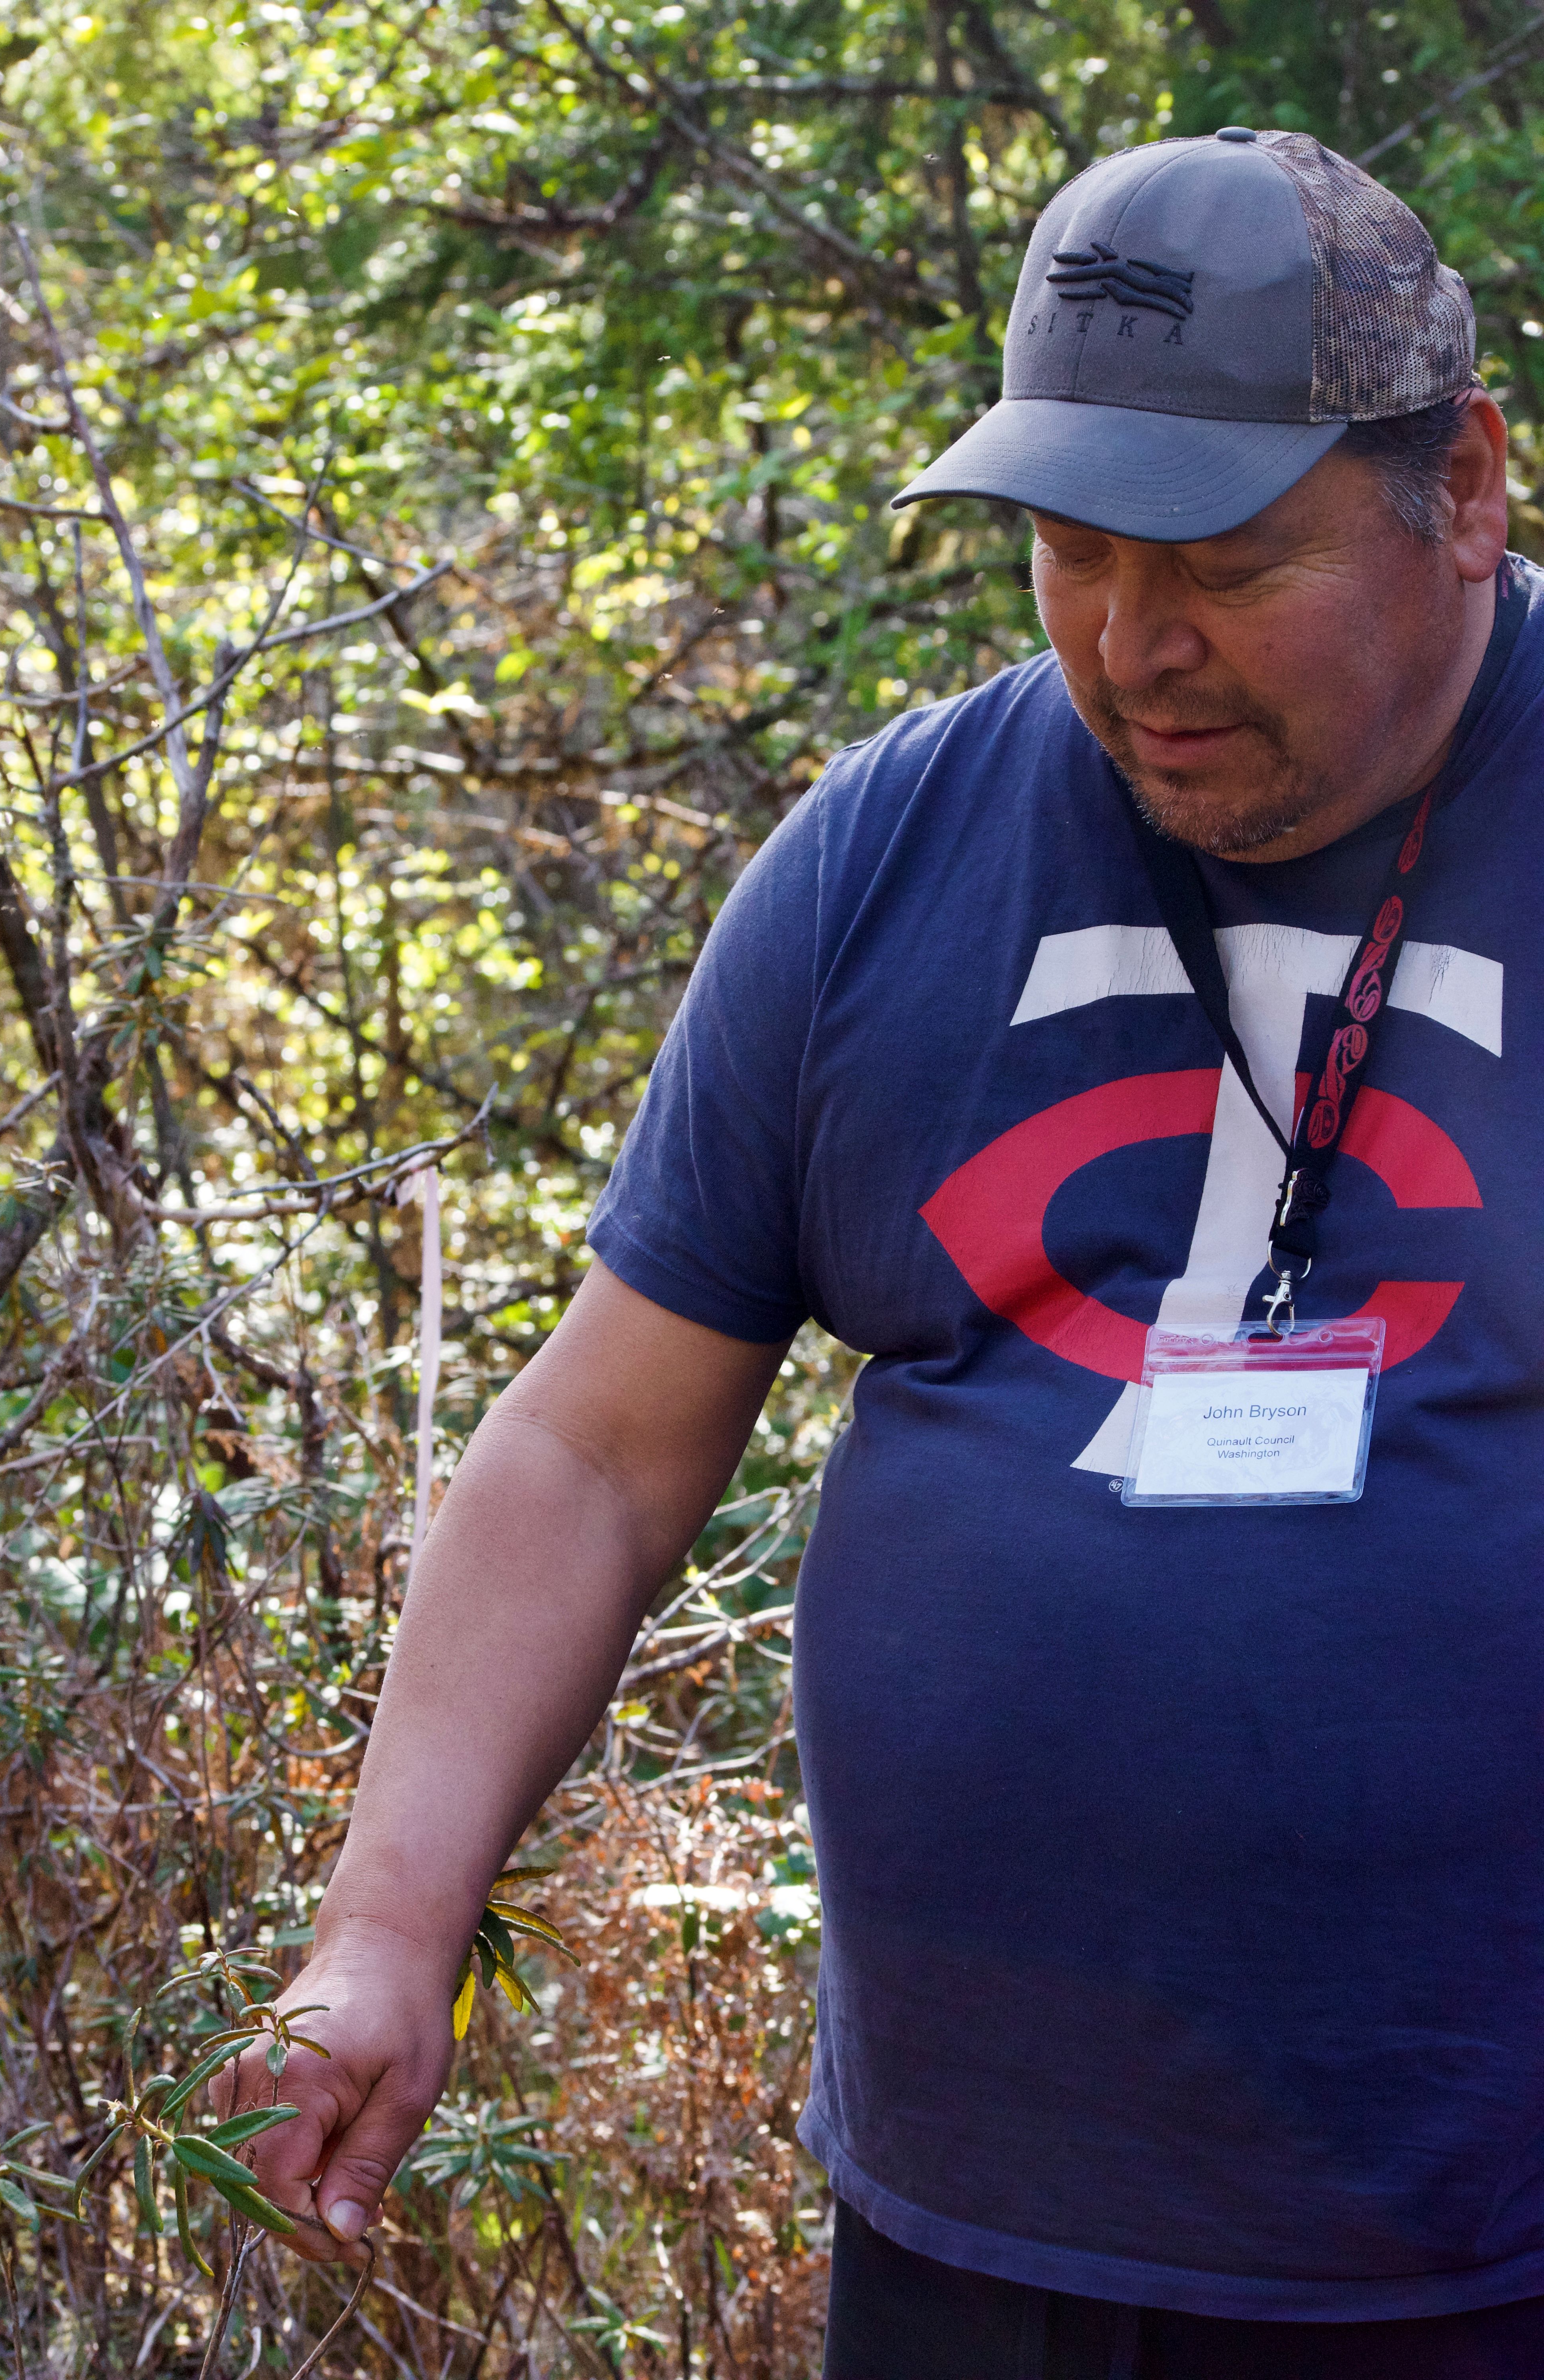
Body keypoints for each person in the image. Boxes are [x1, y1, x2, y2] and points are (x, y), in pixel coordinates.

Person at [239, 129, 1544, 2378]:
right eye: (1066, 551)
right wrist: (382, 1929)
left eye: (1227, 563)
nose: (1133, 647)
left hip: (1487, 2247)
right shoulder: (887, 854)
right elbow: (596, 1455)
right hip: (980, 2229)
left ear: (1466, 492)